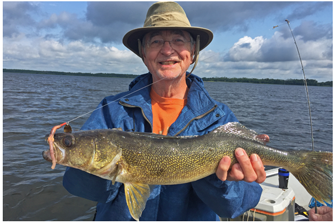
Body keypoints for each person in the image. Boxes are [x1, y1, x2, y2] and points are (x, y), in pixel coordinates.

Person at [63, 1, 266, 220]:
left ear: (193, 51)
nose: (167, 50)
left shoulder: (219, 117)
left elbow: (236, 206)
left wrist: (224, 181)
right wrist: (103, 168)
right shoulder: (111, 111)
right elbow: (80, 188)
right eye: (156, 41)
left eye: (178, 40)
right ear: (143, 52)